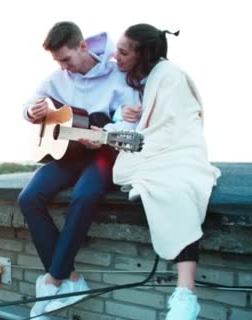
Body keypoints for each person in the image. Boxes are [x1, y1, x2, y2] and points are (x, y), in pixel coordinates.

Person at [18, 21, 140, 317]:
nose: (63, 66)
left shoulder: (118, 74)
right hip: (67, 153)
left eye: (66, 59)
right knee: (28, 198)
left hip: (104, 152)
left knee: (84, 197)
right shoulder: (59, 76)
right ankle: (72, 278)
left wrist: (107, 130)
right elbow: (32, 100)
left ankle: (52, 280)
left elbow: (130, 120)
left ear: (82, 46)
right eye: (58, 61)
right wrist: (31, 111)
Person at [113, 23, 221, 320]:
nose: (116, 57)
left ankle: (185, 291)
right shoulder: (140, 78)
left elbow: (178, 124)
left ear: (143, 53)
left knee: (175, 186)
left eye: (123, 52)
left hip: (180, 151)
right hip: (158, 149)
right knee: (125, 173)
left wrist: (151, 140)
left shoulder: (170, 76)